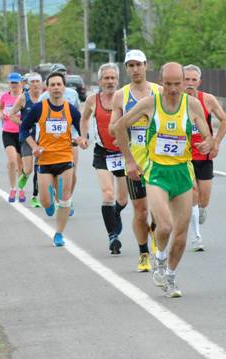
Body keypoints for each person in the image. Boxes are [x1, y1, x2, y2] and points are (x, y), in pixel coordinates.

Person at [114, 62, 214, 298]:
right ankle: (159, 256)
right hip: (157, 173)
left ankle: (169, 276)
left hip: (181, 172)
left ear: (183, 82)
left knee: (180, 235)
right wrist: (129, 161)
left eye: (177, 84)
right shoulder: (150, 103)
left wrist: (208, 142)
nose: (173, 89)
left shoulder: (192, 104)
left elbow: (207, 132)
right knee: (165, 226)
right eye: (168, 84)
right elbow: (119, 126)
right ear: (161, 81)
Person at [109, 49, 160, 262]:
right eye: (131, 65)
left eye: (139, 64)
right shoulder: (121, 95)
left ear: (146, 66)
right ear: (126, 69)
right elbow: (113, 126)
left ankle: (158, 240)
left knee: (158, 208)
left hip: (159, 160)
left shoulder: (159, 91)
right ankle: (143, 253)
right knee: (140, 211)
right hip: (134, 161)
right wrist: (122, 129)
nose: (136, 69)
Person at [20, 71, 83, 247]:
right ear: (48, 88)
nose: (56, 87)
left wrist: (81, 140)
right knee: (45, 201)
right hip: (45, 160)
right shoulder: (40, 108)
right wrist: (34, 147)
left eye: (59, 84)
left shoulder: (71, 110)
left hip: (65, 159)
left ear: (64, 88)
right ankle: (48, 203)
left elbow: (82, 131)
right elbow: (24, 129)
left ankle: (59, 234)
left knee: (64, 199)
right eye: (53, 85)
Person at [79, 63, 131, 260]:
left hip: (124, 153)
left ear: (118, 80)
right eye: (106, 78)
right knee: (108, 193)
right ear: (99, 81)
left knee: (123, 200)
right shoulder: (93, 100)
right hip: (103, 152)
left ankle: (115, 214)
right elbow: (84, 119)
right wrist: (84, 136)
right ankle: (113, 236)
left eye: (112, 78)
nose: (110, 82)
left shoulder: (125, 98)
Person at [183, 64, 226, 251]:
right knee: (193, 193)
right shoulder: (175, 101)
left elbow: (225, 120)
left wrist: (215, 142)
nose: (190, 83)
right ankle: (196, 237)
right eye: (187, 79)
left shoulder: (207, 100)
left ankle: (199, 211)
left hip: (204, 155)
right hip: (183, 156)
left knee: (204, 197)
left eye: (194, 80)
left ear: (199, 82)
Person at [38, 64, 80, 216]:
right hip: (51, 142)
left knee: (72, 171)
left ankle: (67, 198)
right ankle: (55, 198)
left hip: (71, 138)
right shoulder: (44, 97)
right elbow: (40, 121)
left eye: (63, 73)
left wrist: (80, 135)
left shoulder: (73, 94)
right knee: (55, 174)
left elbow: (77, 116)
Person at [9, 72, 44, 208]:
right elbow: (11, 114)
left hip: (42, 137)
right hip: (27, 137)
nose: (35, 84)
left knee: (39, 168)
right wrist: (24, 124)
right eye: (33, 81)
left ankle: (35, 197)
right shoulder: (23, 98)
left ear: (41, 83)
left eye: (37, 81)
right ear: (28, 84)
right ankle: (24, 175)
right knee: (28, 169)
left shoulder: (45, 97)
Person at [0, 73, 24, 202]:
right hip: (8, 132)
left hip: (22, 133)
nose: (14, 85)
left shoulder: (24, 97)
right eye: (12, 83)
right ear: (9, 83)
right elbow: (1, 108)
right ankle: (13, 189)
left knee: (21, 164)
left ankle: (21, 189)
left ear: (21, 83)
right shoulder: (4, 97)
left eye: (16, 82)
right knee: (12, 161)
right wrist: (1, 115)